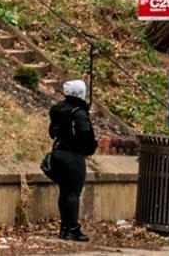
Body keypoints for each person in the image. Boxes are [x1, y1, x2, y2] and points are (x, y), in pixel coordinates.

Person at [46, 79, 97, 241]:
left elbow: (52, 132)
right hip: (74, 156)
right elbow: (85, 135)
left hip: (58, 152)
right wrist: (90, 148)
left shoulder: (58, 110)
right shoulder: (79, 112)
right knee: (73, 192)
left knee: (64, 192)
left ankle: (64, 228)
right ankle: (73, 228)